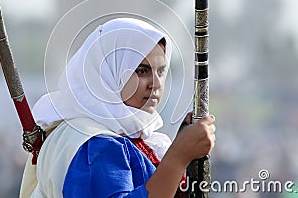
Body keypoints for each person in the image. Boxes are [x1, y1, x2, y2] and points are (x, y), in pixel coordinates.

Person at [20, 18, 216, 198]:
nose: (156, 83)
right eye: (142, 71)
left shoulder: (132, 139)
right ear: (108, 73)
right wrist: (177, 158)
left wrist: (188, 157)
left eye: (161, 71)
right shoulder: (94, 144)